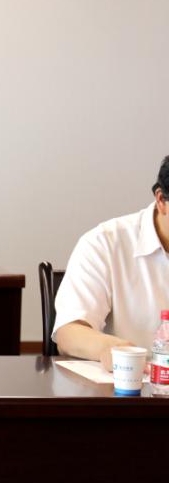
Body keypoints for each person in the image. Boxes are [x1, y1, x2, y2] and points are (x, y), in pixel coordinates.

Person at [54, 156, 169, 370]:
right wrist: (113, 349)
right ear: (161, 200)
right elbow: (68, 332)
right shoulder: (105, 243)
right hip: (131, 383)